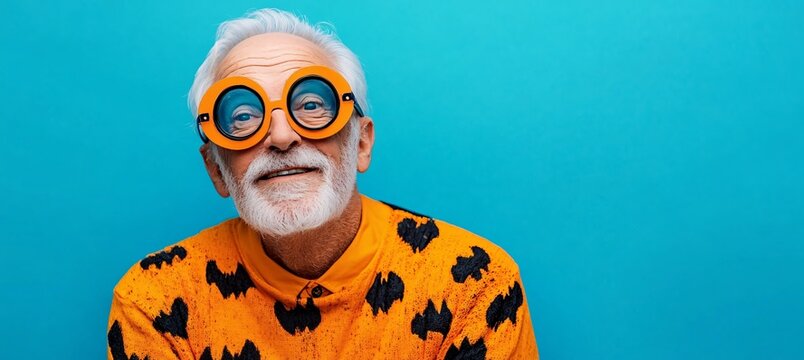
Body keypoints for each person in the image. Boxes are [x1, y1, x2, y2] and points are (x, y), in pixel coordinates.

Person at [107, 8, 537, 360]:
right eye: (242, 116)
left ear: (362, 143)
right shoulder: (156, 300)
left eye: (311, 104)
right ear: (217, 169)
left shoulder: (472, 284)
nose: (280, 137)